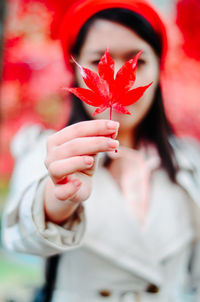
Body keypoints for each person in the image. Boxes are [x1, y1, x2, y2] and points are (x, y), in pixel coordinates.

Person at [2, 0, 200, 301]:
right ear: (76, 70)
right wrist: (56, 202)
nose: (119, 73)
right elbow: (21, 238)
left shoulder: (190, 162)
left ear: (160, 70)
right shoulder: (46, 155)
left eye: (138, 61)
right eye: (98, 61)